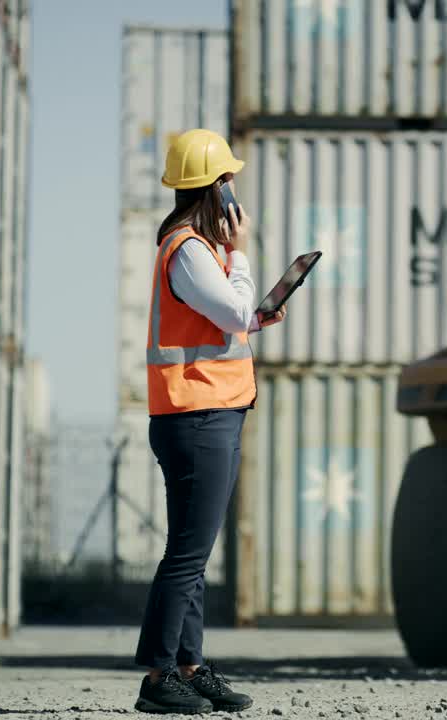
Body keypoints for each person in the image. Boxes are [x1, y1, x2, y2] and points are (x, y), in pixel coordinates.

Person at [133, 129, 281, 715]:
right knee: (188, 555)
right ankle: (158, 674)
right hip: (196, 417)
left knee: (193, 550)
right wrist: (241, 252)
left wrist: (252, 311)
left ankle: (190, 667)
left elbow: (230, 321)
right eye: (229, 178)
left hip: (205, 414)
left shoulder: (195, 249)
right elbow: (237, 310)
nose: (235, 187)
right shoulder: (191, 249)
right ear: (216, 187)